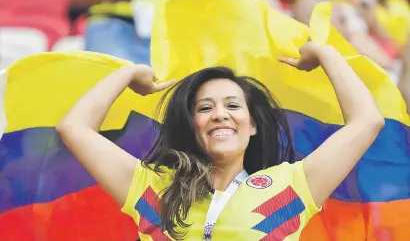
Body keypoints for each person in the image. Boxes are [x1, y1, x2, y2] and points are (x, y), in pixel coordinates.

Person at [56, 42, 384, 240]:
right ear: (192, 124)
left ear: (252, 125)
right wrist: (128, 75)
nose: (220, 115)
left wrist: (323, 54)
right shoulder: (152, 188)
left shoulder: (293, 186)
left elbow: (367, 121)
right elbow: (74, 128)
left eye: (232, 105)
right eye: (205, 108)